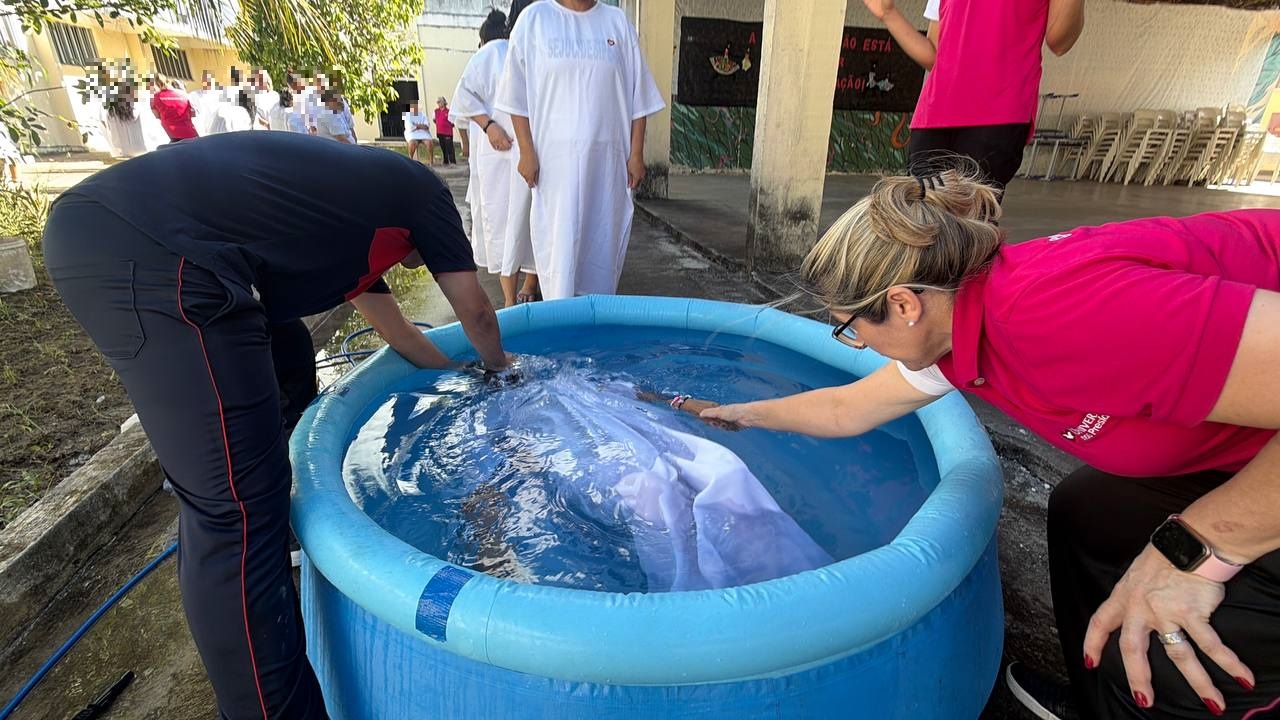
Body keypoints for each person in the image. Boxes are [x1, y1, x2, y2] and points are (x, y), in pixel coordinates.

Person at [697, 171, 1280, 720]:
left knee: (1179, 633)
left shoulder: (1061, 316)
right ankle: (1105, 699)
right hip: (1246, 444)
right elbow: (846, 408)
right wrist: (739, 415)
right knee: (1088, 509)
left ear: (902, 304)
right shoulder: (960, 321)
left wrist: (1196, 549)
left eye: (851, 328)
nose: (854, 345)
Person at [43, 131, 512, 720]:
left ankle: (283, 532)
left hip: (130, 232)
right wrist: (502, 371)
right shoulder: (423, 194)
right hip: (156, 251)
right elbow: (475, 309)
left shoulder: (350, 217)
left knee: (288, 353)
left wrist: (457, 376)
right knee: (236, 511)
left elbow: (401, 334)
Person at [495, 0, 665, 300]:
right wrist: (526, 150)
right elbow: (515, 96)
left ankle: (596, 329)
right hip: (553, 166)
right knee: (559, 249)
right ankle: (560, 322)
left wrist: (636, 154)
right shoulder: (534, 20)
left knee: (602, 246)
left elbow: (640, 97)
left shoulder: (617, 23)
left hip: (607, 166)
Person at [862, 0, 1085, 193]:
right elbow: (935, 55)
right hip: (933, 116)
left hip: (997, 116)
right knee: (920, 224)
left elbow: (1059, 41)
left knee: (969, 229)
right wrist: (888, 14)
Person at [451, 4, 539, 307]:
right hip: (524, 152)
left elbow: (460, 102)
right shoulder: (519, 52)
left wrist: (487, 127)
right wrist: (489, 126)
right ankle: (528, 285)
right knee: (528, 218)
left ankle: (509, 299)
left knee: (504, 222)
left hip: (498, 157)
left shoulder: (488, 54)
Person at [149, 73, 199, 142]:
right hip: (191, 133)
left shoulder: (154, 98)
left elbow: (156, 116)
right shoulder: (183, 94)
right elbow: (193, 114)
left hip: (172, 136)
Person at [188, 71, 221, 136]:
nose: (207, 83)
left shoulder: (219, 94)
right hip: (204, 129)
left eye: (209, 81)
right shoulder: (195, 95)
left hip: (218, 127)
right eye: (205, 81)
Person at [434, 96, 456, 165]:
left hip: (447, 132)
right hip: (440, 131)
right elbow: (434, 120)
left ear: (444, 102)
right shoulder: (436, 111)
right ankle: (445, 161)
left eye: (440, 101)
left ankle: (452, 161)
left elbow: (453, 122)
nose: (438, 103)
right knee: (443, 147)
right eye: (437, 102)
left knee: (449, 147)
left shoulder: (449, 111)